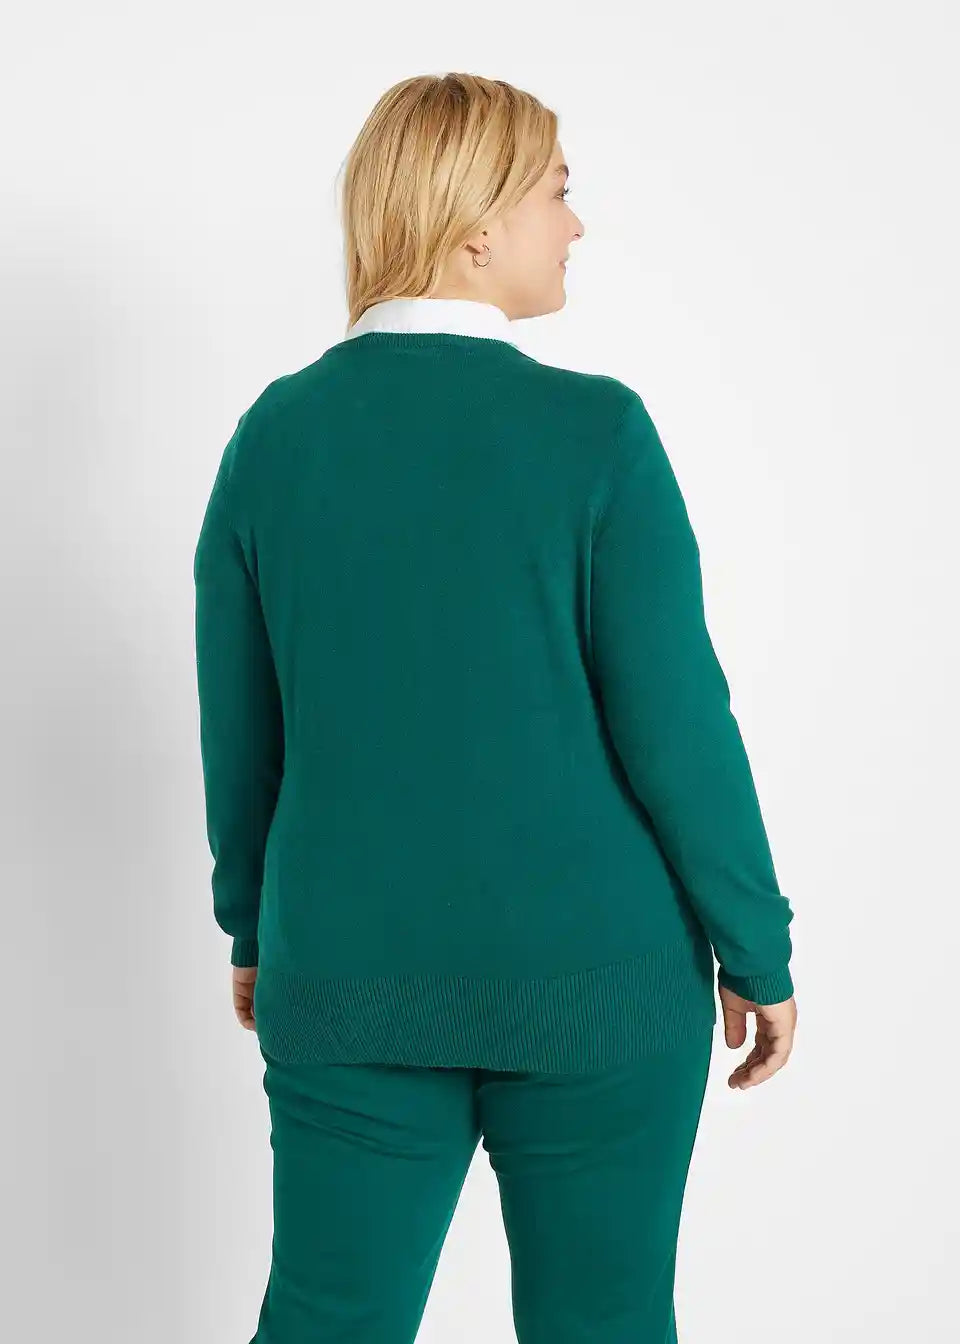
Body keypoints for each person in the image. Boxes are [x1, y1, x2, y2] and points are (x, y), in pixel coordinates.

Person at [193, 71, 797, 1344]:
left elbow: (242, 731)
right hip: (602, 986)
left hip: (346, 973)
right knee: (605, 1323)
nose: (576, 224)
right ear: (475, 225)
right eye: (557, 192)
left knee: (326, 1321)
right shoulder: (596, 433)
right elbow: (679, 724)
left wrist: (253, 927)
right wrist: (757, 947)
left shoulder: (274, 437)